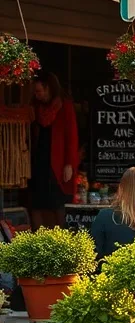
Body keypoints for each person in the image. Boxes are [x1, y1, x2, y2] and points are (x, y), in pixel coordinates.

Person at [29, 72, 79, 229]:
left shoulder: (64, 105)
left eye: (39, 91)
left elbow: (71, 135)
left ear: (48, 88)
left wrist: (69, 163)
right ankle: (38, 237)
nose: (37, 95)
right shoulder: (35, 106)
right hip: (38, 161)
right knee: (35, 202)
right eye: (35, 92)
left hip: (57, 162)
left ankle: (61, 237)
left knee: (57, 201)